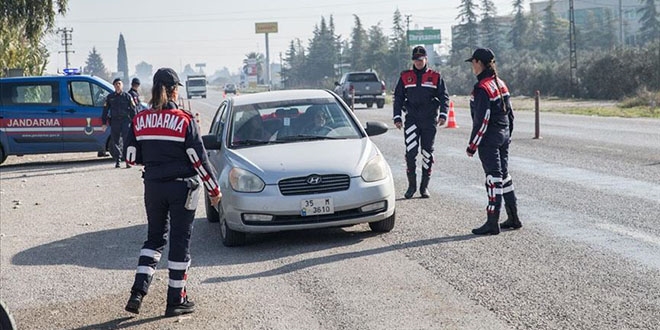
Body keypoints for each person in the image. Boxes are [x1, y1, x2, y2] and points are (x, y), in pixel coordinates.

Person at [123, 68, 222, 317]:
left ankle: (137, 293)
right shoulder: (185, 120)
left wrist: (155, 161)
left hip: (153, 186)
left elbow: (130, 157)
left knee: (154, 239)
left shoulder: (139, 119)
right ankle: (176, 299)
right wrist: (214, 190)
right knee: (179, 242)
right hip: (182, 188)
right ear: (174, 89)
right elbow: (199, 161)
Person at [465, 48, 522, 235]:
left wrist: (472, 145)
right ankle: (513, 218)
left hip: (489, 137)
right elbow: (510, 114)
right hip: (503, 134)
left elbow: (482, 119)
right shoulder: (500, 83)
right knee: (504, 176)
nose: (472, 66)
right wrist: (508, 135)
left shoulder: (482, 88)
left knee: (493, 178)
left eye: (473, 62)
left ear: (479, 63)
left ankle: (492, 222)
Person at [393, 45, 450, 199]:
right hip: (411, 120)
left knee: (427, 153)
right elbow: (398, 97)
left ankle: (424, 187)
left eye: (420, 60)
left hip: (429, 120)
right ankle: (411, 187)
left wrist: (443, 114)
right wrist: (397, 117)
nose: (418, 62)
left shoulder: (436, 76)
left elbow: (444, 97)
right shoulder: (405, 76)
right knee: (411, 153)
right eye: (415, 60)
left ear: (426, 59)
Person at [102, 78, 136, 168]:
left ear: (122, 85)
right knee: (115, 141)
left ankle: (127, 161)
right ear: (114, 86)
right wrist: (104, 123)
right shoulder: (110, 97)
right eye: (116, 84)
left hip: (125, 121)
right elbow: (105, 110)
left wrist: (135, 121)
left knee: (126, 141)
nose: (118, 85)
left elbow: (133, 109)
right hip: (115, 121)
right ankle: (117, 160)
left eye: (119, 84)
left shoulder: (127, 96)